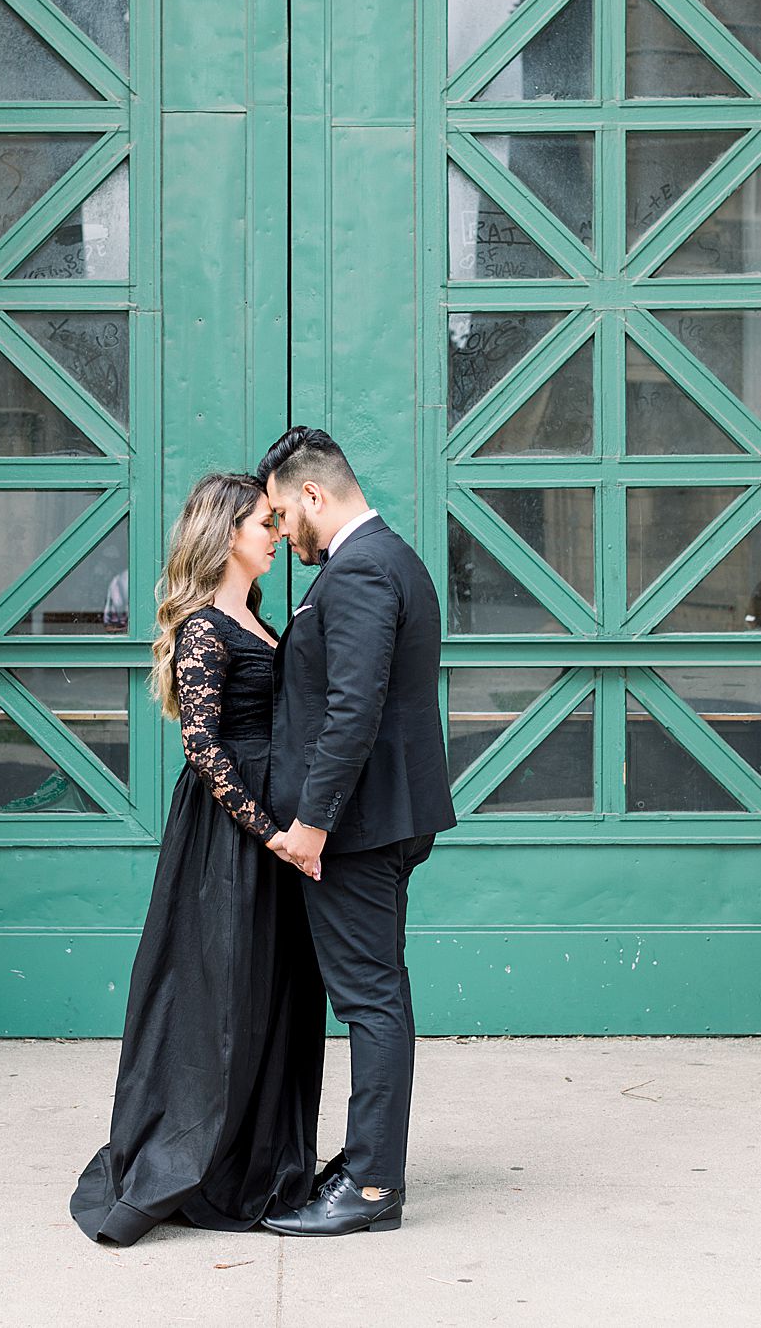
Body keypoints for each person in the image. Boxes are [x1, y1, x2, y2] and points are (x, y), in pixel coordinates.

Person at [70, 473, 325, 1245]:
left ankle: (263, 1159)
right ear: (225, 535)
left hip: (270, 829)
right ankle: (199, 1159)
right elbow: (204, 747)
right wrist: (267, 829)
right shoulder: (205, 628)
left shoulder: (256, 616)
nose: (275, 533)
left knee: (272, 995)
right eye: (261, 523)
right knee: (219, 997)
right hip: (229, 836)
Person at [255, 427, 456, 1237]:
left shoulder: (364, 567)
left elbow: (353, 708)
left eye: (277, 514)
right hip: (380, 820)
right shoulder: (384, 558)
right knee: (378, 991)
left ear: (312, 494)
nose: (277, 533)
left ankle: (373, 1186)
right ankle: (369, 1159)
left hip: (358, 830)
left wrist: (310, 824)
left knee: (371, 997)